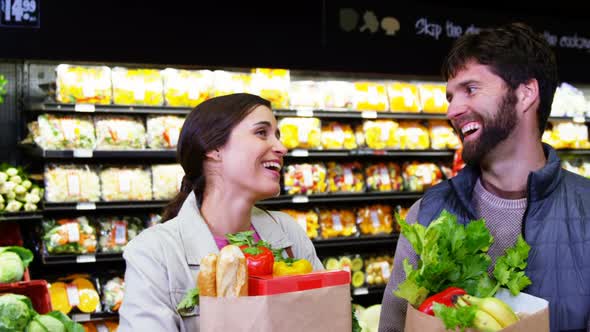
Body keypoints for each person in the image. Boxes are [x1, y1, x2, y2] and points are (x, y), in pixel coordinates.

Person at [379, 22, 590, 332]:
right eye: (450, 96)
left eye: (470, 89)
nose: (452, 110)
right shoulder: (427, 214)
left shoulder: (586, 211)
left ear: (525, 94)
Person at [118, 93, 324, 331]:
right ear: (213, 147)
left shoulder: (287, 231)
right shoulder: (154, 252)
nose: (281, 147)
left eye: (277, 136)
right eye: (261, 133)